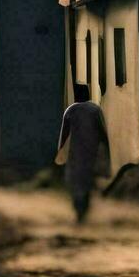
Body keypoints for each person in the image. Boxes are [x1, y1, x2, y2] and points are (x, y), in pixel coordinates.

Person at [55, 84, 109, 223]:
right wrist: (106, 147)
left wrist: (60, 150)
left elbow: (64, 134)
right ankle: (84, 208)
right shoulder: (95, 110)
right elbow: (103, 131)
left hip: (76, 151)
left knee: (75, 179)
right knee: (87, 179)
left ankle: (79, 210)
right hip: (91, 150)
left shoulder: (71, 110)